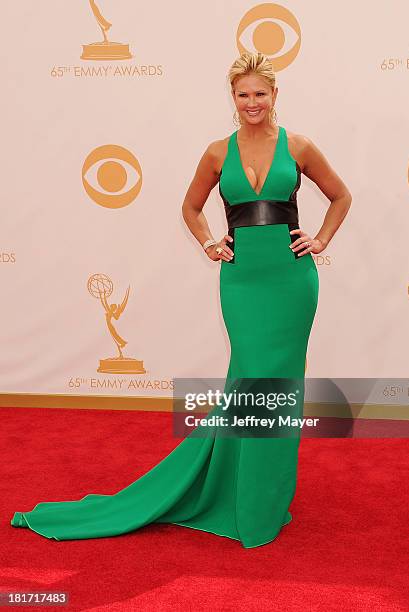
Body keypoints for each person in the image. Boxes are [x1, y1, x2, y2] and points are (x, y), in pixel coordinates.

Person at [10, 51, 351, 548]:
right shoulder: (217, 152)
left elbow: (341, 195)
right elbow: (191, 207)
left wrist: (320, 239)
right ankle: (236, 492)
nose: (251, 102)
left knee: (278, 384)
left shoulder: (299, 146)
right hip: (241, 281)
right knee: (250, 379)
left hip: (291, 280)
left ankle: (263, 501)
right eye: (242, 94)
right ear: (232, 98)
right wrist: (210, 241)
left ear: (275, 96)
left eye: (260, 93)